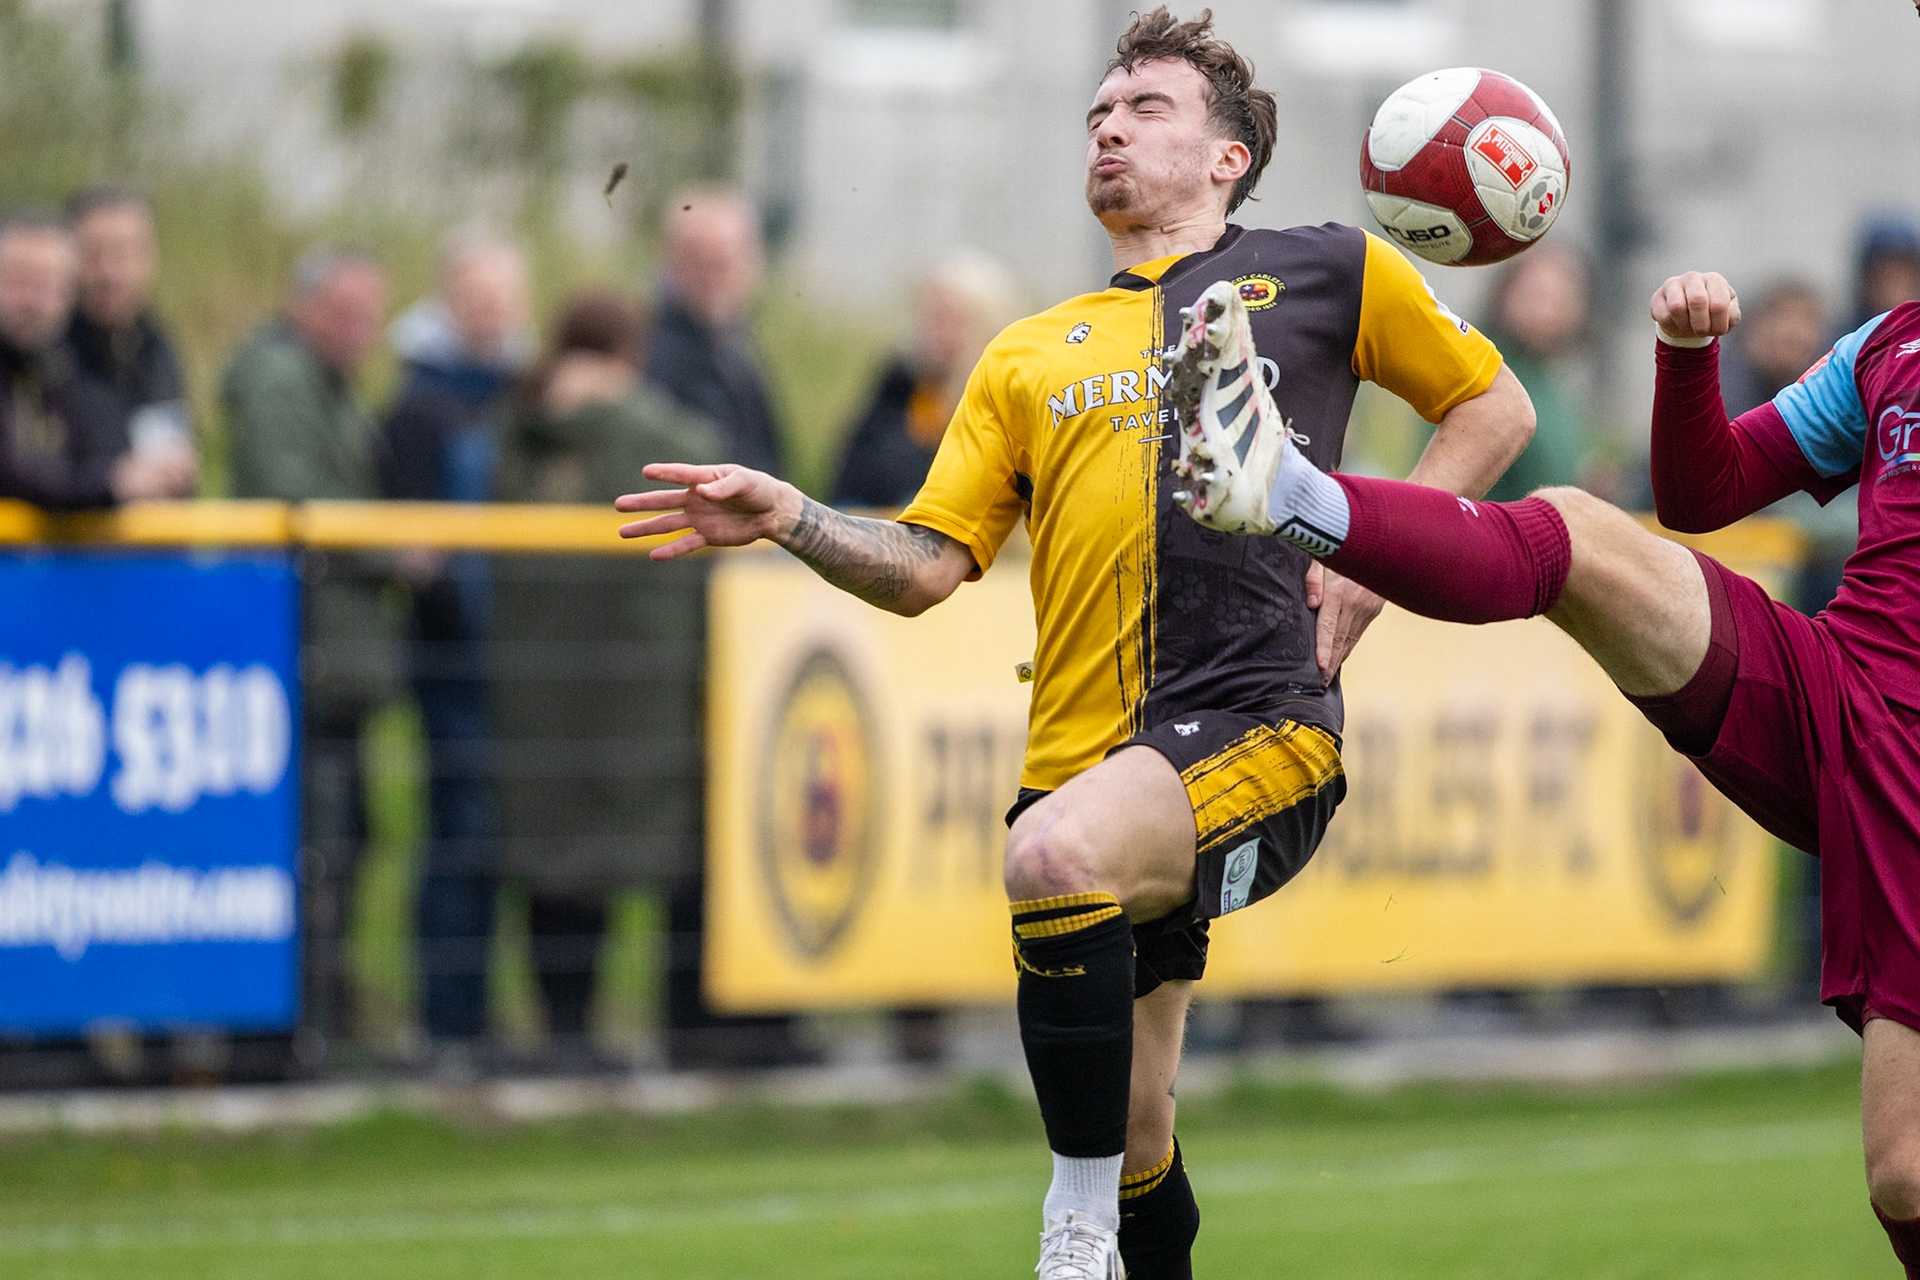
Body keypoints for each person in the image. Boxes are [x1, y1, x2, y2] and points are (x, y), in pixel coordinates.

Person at [616, 11, 1534, 1276]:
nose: (1108, 126)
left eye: (1145, 107)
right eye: (1097, 112)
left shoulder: (1329, 269)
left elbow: (1495, 404)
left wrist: (1372, 568)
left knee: (1048, 858)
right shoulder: (1022, 353)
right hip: (1091, 758)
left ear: (1227, 157)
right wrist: (797, 516)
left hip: (1262, 723)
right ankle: (1122, 1214)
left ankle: (1072, 1226)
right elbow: (929, 566)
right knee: (1141, 1120)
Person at [1164, 264, 1920, 1278]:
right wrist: (1688, 358)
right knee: (1576, 533)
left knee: (1905, 1173)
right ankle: (1290, 491)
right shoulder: (1889, 343)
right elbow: (1705, 493)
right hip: (1842, 688)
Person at [493, 290, 720, 1066]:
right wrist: (623, 404)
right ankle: (675, 1036)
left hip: (539, 693)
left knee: (560, 870)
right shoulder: (644, 428)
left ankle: (565, 1035)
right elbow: (706, 452)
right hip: (640, 687)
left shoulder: (516, 431)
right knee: (657, 863)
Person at [224, 246, 398, 1058]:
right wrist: (395, 548)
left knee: (344, 846)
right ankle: (291, 1033)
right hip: (304, 659)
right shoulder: (281, 379)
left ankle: (317, 1021)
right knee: (311, 851)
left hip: (336, 661)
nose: (362, 332)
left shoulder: (327, 385)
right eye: (347, 312)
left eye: (373, 315)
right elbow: (290, 493)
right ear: (308, 307)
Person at [378, 232, 533, 1062]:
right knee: (456, 835)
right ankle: (447, 1020)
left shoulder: (527, 396)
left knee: (499, 836)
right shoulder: (416, 406)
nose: (490, 310)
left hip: (518, 660)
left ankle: (478, 1018)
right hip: (452, 656)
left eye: (502, 294)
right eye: (476, 294)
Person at [0, 210, 187, 508]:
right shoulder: (62, 358)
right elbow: (17, 472)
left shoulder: (52, 368)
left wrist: (155, 473)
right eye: (19, 280)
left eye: (48, 285)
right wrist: (113, 482)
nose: (33, 301)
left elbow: (80, 459)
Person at [832, 254, 1020, 508]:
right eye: (927, 313)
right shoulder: (898, 388)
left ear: (984, 323)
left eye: (947, 317)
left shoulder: (1004, 396)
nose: (930, 328)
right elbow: (852, 479)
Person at [64, 185, 197, 495]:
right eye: (94, 254)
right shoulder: (37, 351)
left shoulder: (158, 346)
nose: (109, 272)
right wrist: (112, 482)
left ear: (149, 258)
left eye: (123, 253)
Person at [646, 185, 785, 478]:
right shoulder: (643, 353)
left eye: (721, 261)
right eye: (695, 259)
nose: (709, 276)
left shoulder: (743, 354)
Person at [1478, 243, 1596, 501]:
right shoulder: (1481, 370)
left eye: (1559, 300)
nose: (1546, 312)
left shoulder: (1548, 381)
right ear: (1505, 294)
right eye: (1536, 295)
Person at [1719, 279, 1826, 417]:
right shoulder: (1721, 394)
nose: (1801, 335)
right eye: (1790, 342)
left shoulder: (1819, 393)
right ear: (1755, 331)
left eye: (1810, 323)